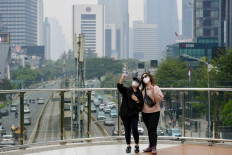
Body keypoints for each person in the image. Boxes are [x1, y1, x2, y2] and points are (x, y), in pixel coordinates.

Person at [117, 74, 144, 153]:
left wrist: (136, 100)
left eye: (137, 81)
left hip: (134, 114)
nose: (135, 82)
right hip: (125, 114)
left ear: (139, 84)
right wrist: (122, 78)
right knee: (127, 130)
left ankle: (137, 145)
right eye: (134, 80)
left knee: (135, 129)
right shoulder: (127, 90)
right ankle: (128, 146)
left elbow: (141, 105)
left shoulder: (139, 94)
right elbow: (120, 87)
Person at [140, 73, 164, 154]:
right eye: (143, 77)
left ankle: (154, 147)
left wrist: (153, 92)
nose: (144, 78)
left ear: (150, 77)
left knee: (153, 129)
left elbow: (158, 100)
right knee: (149, 129)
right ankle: (150, 146)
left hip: (154, 112)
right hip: (145, 112)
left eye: (146, 76)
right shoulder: (142, 89)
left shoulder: (155, 87)